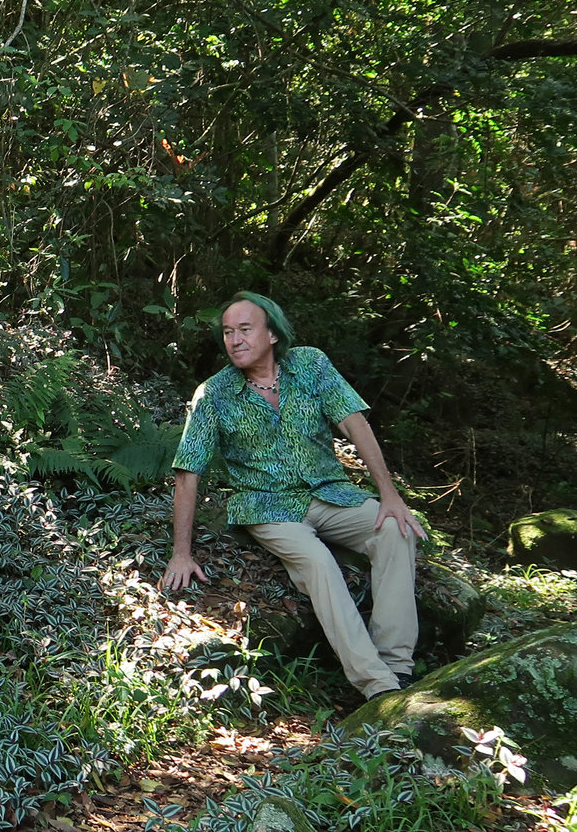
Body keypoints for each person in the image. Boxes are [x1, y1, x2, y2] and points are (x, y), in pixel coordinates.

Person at [162, 292, 427, 700]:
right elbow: (188, 472)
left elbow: (355, 424)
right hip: (269, 507)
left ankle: (397, 665)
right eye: (228, 332)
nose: (235, 340)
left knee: (395, 530)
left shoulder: (311, 364)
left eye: (245, 329)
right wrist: (181, 552)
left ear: (272, 334)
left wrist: (389, 496)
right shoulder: (213, 394)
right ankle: (379, 686)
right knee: (318, 563)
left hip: (331, 493)